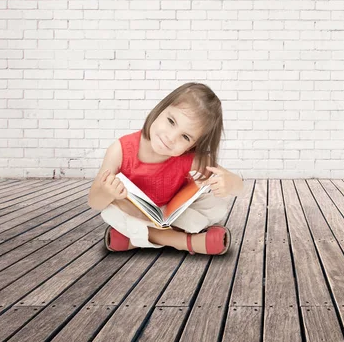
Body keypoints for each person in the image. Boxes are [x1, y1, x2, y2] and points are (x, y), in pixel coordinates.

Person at [87, 82, 244, 254]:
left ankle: (136, 238)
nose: (170, 138)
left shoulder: (189, 158)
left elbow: (238, 185)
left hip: (169, 214)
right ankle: (181, 241)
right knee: (111, 212)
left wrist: (230, 183)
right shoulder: (119, 150)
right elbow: (94, 202)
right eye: (171, 121)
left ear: (193, 144)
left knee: (217, 204)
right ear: (161, 109)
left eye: (185, 137)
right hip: (135, 213)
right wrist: (107, 192)